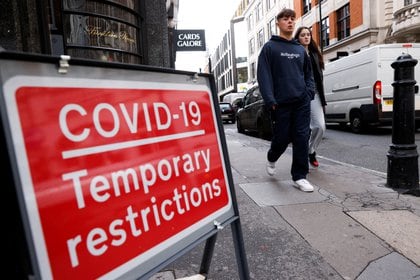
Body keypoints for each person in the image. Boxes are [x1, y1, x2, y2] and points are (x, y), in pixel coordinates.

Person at [257, 8, 315, 192]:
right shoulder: (269, 48)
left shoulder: (300, 49)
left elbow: (308, 74)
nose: (290, 22)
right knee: (281, 138)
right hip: (280, 102)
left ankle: (299, 176)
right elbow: (264, 75)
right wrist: (270, 99)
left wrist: (309, 92)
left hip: (301, 102)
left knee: (301, 137)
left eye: (292, 19)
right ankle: (272, 157)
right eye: (285, 19)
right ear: (278, 23)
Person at [294, 26, 327, 168]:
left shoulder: (314, 54)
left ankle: (311, 150)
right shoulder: (295, 54)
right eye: (303, 35)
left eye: (308, 34)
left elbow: (319, 77)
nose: (306, 37)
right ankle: (301, 160)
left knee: (320, 126)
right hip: (300, 96)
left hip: (315, 94)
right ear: (298, 38)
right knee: (301, 130)